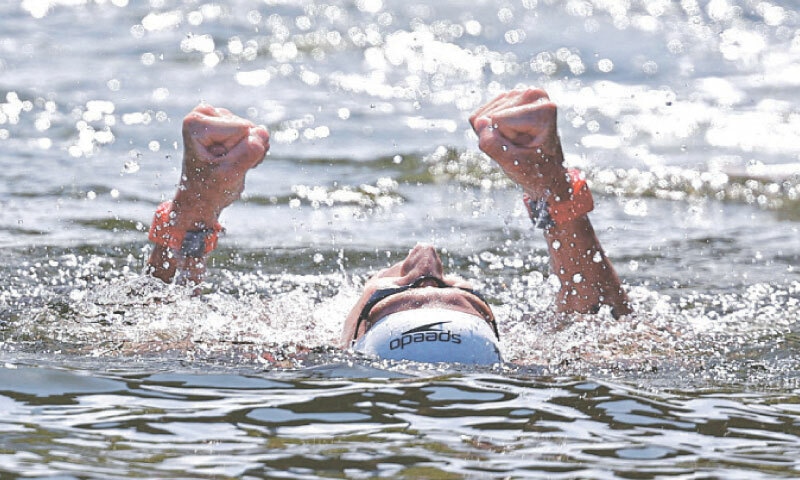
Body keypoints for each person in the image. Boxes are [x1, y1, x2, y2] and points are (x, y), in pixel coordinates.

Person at [146, 88, 631, 365]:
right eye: (457, 289)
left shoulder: (277, 345)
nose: (426, 257)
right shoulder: (542, 352)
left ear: (347, 338)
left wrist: (197, 205)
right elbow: (599, 324)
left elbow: (155, 331)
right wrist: (553, 190)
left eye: (398, 291)